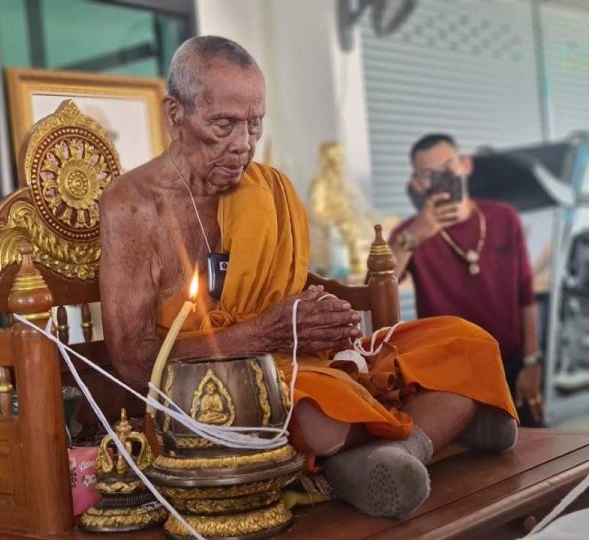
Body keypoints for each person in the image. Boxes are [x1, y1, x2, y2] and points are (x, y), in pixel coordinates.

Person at [99, 36, 518, 520]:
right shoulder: (132, 205)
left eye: (255, 124)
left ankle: (389, 454)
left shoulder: (266, 188)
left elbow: (287, 286)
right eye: (224, 125)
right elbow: (131, 360)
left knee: (466, 343)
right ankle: (435, 430)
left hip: (297, 359)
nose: (243, 145)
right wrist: (262, 334)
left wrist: (323, 316)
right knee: (318, 415)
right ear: (175, 115)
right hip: (213, 390)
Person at [389, 134, 543, 427]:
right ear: (418, 184)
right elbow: (378, 290)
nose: (442, 178)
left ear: (465, 165)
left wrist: (531, 362)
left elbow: (526, 293)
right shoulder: (409, 232)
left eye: (449, 167)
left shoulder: (503, 218)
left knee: (532, 448)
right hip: (447, 375)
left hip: (507, 362)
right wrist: (414, 238)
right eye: (430, 175)